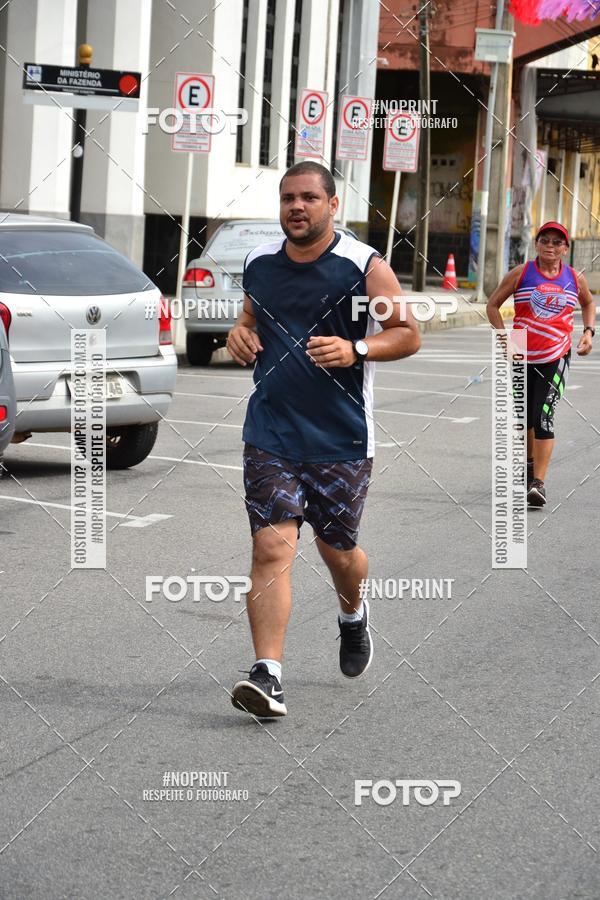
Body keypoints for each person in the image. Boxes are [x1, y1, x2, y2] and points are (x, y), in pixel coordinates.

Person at [226, 161, 421, 718]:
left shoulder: (362, 267)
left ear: (333, 205)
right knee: (270, 547)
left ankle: (353, 613)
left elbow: (407, 335)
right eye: (288, 197)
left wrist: (357, 349)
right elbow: (250, 320)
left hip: (340, 438)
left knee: (339, 554)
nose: (297, 206)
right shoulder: (259, 262)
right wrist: (240, 335)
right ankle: (268, 675)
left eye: (309, 197)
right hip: (271, 431)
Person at [486, 221, 595, 507]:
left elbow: (588, 303)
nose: (550, 246)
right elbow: (492, 305)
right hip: (521, 352)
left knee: (542, 416)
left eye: (557, 242)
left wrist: (588, 332)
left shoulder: (574, 277)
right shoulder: (521, 273)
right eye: (545, 240)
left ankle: (538, 484)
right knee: (525, 420)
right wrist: (504, 341)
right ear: (536, 244)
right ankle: (530, 466)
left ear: (565, 248)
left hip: (555, 354)